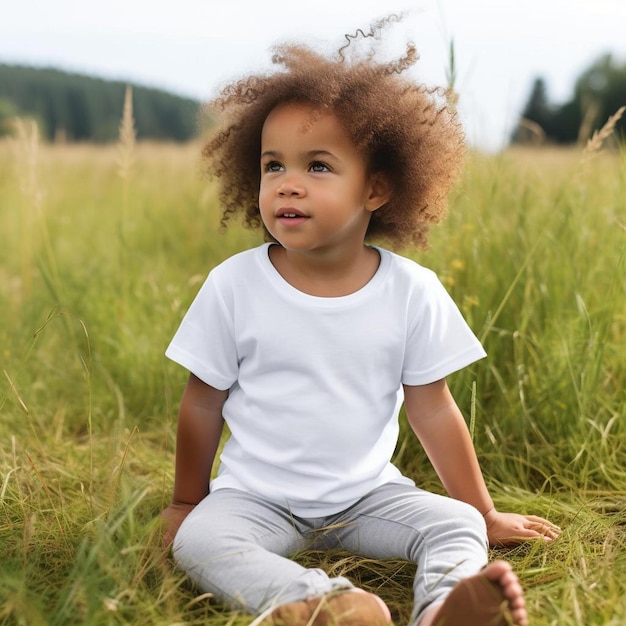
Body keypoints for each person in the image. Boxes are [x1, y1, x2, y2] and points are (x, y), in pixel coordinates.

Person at [162, 16, 560, 626]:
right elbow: (201, 402)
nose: (287, 185)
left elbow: (433, 408)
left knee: (455, 525)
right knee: (201, 540)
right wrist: (187, 501)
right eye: (273, 166)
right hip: (256, 497)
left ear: (375, 190)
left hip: (370, 495)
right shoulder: (234, 286)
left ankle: (446, 609)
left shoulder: (411, 291)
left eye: (317, 167)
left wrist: (482, 511)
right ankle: (321, 603)